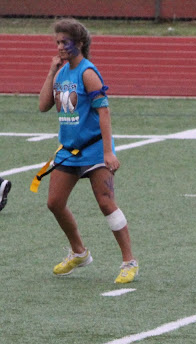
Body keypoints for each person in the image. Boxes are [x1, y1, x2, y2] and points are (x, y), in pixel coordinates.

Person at [38, 18, 138, 284]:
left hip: (94, 149)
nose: (60, 47)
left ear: (79, 43)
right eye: (58, 42)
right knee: (54, 203)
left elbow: (104, 112)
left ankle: (129, 261)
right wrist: (51, 72)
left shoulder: (88, 73)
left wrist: (108, 152)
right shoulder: (61, 73)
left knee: (105, 202)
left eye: (65, 42)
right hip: (69, 151)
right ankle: (79, 252)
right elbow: (43, 106)